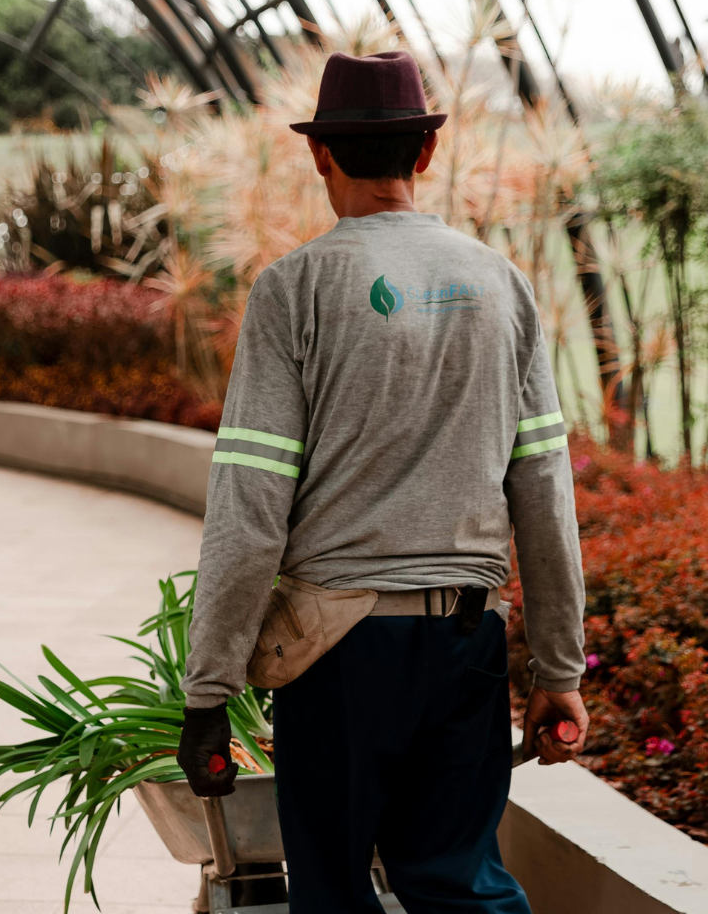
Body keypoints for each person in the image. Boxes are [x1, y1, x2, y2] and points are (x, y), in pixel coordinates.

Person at [176, 51, 588, 913]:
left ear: (321, 154)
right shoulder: (502, 285)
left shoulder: (294, 290)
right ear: (424, 157)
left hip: (338, 656)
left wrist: (210, 690)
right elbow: (545, 489)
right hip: (468, 645)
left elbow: (251, 507)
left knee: (332, 893)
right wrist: (559, 669)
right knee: (459, 884)